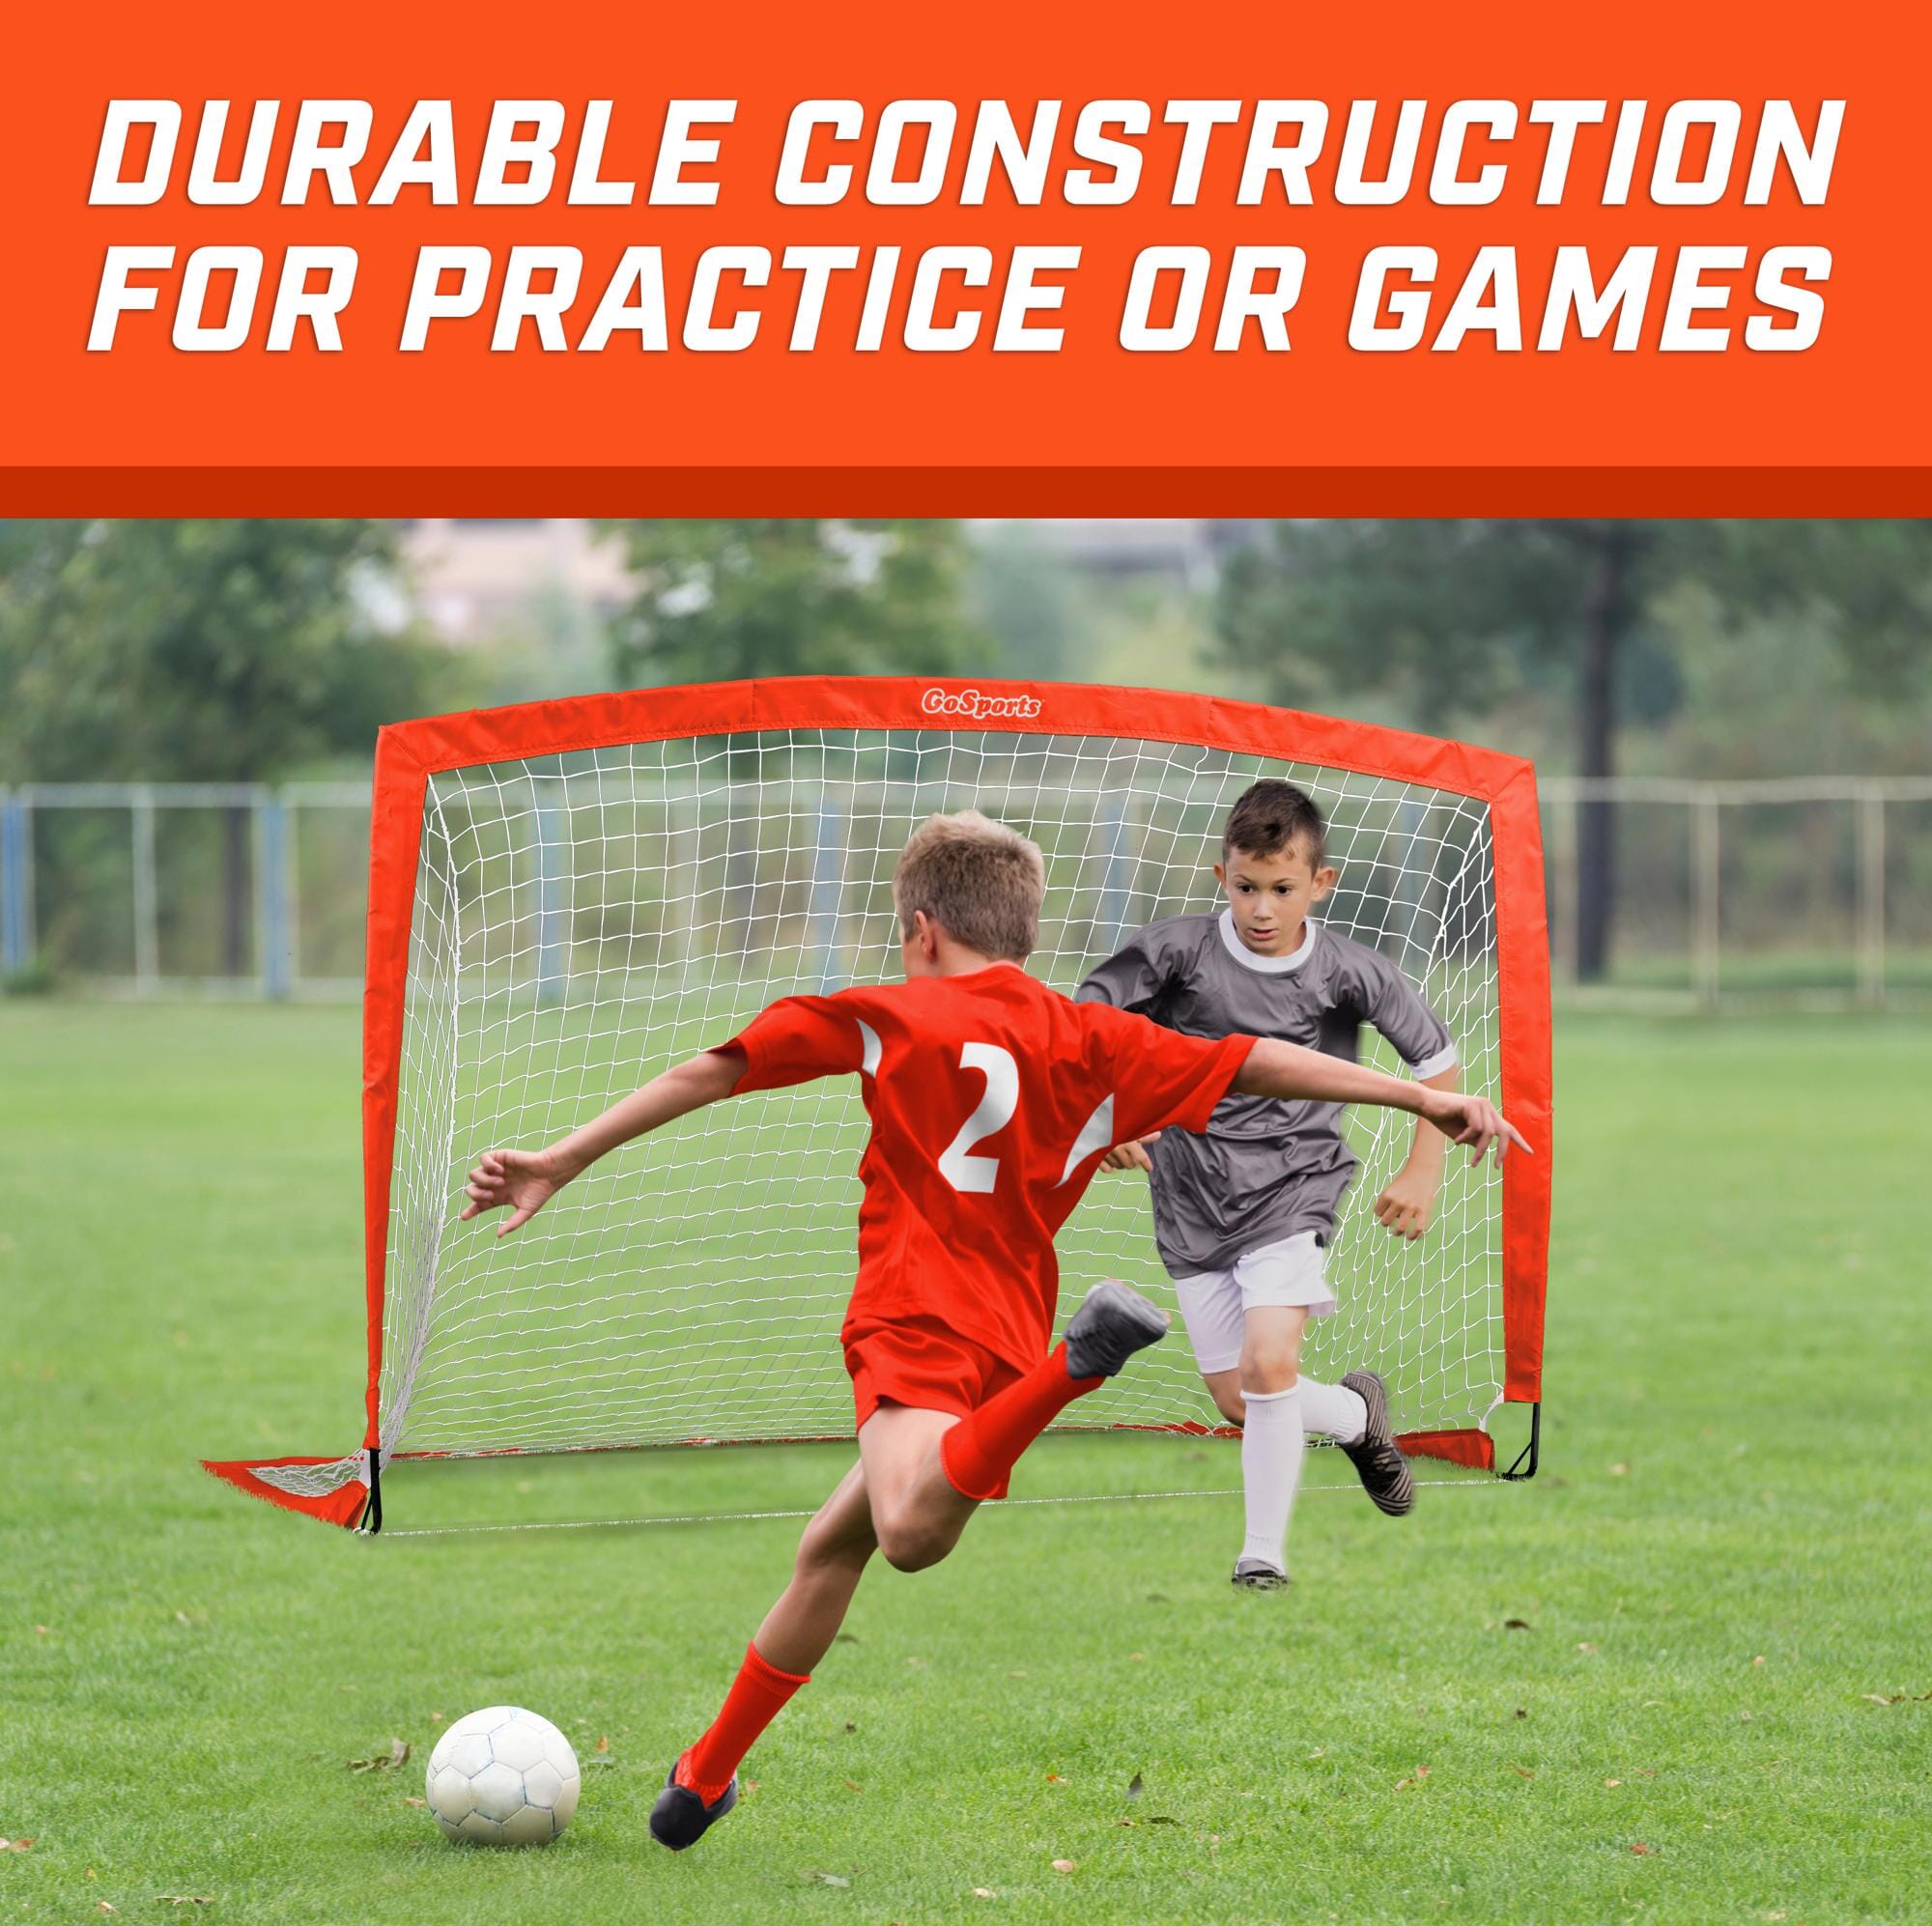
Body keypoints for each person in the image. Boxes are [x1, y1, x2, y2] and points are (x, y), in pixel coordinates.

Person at [460, 809, 1524, 1849]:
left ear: (921, 926)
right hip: (997, 1332)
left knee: (908, 1534)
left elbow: (715, 1068)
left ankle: (1081, 1362)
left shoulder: (885, 1012)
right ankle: (703, 1775)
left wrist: (565, 1155)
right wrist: (1412, 1098)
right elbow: (1254, 1058)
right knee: (828, 1546)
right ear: (1022, 928)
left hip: (914, 1313)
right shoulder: (1086, 1033)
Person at [1079, 778, 1469, 1588]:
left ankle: (1262, 1557)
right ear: (1221, 876)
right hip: (1189, 1196)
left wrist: (1423, 1167)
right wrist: (1111, 1115)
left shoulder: (1350, 972)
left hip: (1295, 1187)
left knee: (1268, 1365)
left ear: (1319, 885)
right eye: (1247, 887)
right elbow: (1085, 1023)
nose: (1262, 908)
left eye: (1282, 889)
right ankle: (1361, 1418)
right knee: (1242, 1397)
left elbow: (1437, 1067)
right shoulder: (1175, 952)